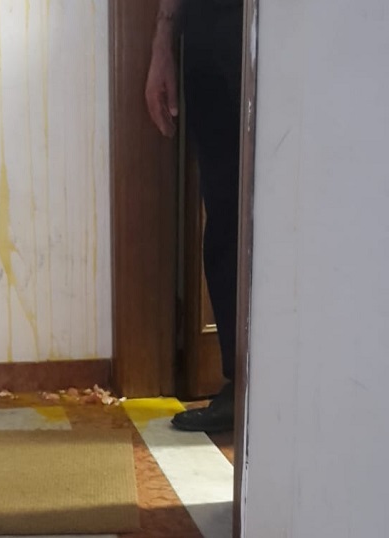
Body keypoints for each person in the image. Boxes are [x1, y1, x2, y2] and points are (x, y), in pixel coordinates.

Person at [145, 0, 243, 433]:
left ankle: (296, 385)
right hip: (207, 25)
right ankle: (241, 386)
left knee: (290, 208)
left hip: (289, 26)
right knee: (226, 216)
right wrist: (163, 41)